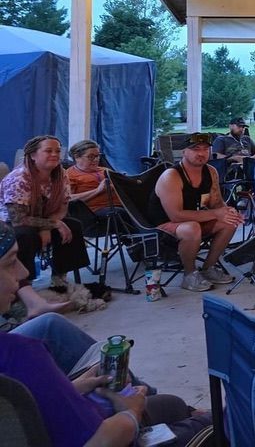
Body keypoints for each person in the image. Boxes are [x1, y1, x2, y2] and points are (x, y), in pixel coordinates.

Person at [0, 221, 212, 446]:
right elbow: (98, 443)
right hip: (110, 435)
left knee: (172, 405)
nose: (23, 272)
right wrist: (131, 413)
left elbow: (24, 408)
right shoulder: (21, 355)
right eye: (11, 262)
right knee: (218, 421)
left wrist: (73, 386)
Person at [152, 133, 243, 292]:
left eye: (205, 149)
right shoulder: (172, 176)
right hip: (164, 225)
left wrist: (228, 211)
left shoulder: (211, 171)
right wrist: (216, 214)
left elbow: (216, 203)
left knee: (229, 221)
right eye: (195, 149)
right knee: (192, 228)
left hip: (194, 220)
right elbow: (176, 215)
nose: (201, 153)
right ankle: (189, 275)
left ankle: (208, 268)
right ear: (184, 151)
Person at [1, 136, 89, 294]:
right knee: (24, 235)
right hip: (9, 224)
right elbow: (18, 219)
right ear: (32, 155)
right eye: (48, 150)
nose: (55, 154)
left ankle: (59, 278)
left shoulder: (60, 174)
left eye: (57, 151)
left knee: (73, 225)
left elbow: (63, 206)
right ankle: (23, 284)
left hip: (41, 218)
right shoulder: (19, 178)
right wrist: (52, 224)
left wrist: (48, 225)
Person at [66, 140, 118, 213]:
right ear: (77, 157)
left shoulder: (106, 170)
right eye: (91, 156)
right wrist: (98, 190)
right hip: (97, 210)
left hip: (122, 205)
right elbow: (68, 199)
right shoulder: (70, 174)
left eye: (97, 156)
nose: (96, 160)